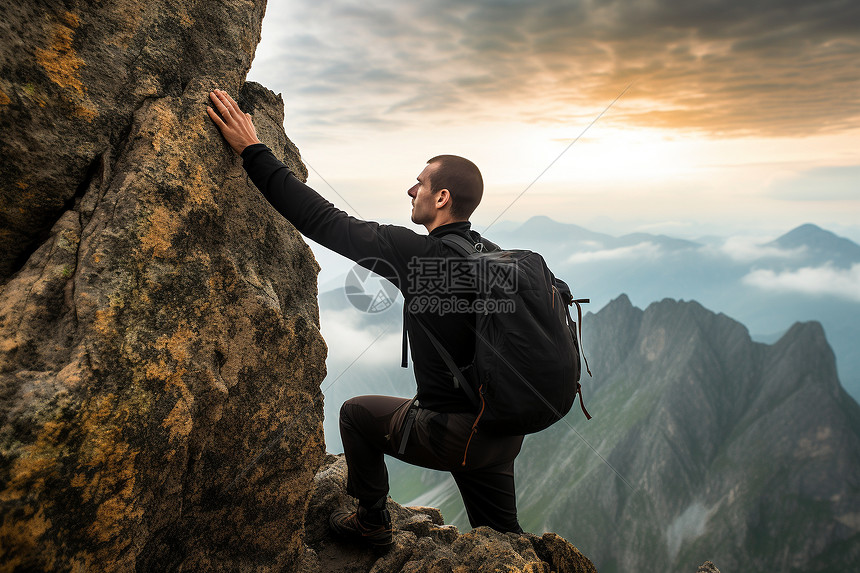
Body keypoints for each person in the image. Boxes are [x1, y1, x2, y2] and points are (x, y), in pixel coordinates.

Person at [207, 89, 525, 551]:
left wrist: (252, 152)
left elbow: (323, 220)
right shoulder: (494, 258)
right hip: (502, 431)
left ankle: (372, 524)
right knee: (503, 538)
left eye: (419, 183)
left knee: (355, 414)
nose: (410, 190)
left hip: (457, 433)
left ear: (441, 197)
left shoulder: (417, 255)